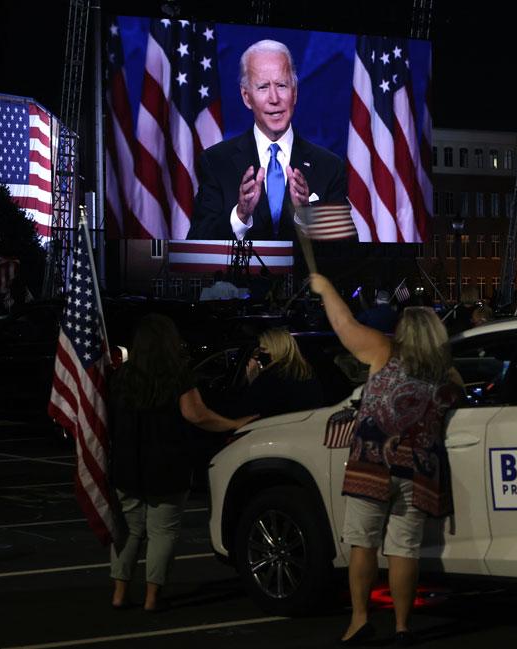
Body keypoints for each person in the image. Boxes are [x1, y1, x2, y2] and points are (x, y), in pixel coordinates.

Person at [310, 272, 459, 646]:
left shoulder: (383, 351)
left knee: (363, 544)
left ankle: (360, 621)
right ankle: (402, 627)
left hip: (372, 465)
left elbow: (344, 325)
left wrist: (327, 288)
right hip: (419, 469)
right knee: (403, 548)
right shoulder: (447, 375)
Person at [108, 314, 255, 611]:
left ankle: (119, 593)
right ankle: (152, 597)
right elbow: (197, 415)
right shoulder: (178, 376)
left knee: (129, 530)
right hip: (166, 464)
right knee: (162, 532)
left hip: (126, 464)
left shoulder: (122, 375)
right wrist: (234, 423)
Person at [187, 40, 347, 241]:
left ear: (295, 92)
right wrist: (241, 215)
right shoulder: (216, 163)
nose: (274, 98)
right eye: (263, 87)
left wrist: (307, 216)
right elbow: (197, 245)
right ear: (246, 97)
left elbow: (346, 251)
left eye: (281, 85)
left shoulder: (330, 168)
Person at [235, 327, 325, 419]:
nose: (258, 355)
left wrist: (254, 380)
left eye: (262, 349)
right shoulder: (306, 372)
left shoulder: (272, 376)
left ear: (275, 348)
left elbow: (250, 408)